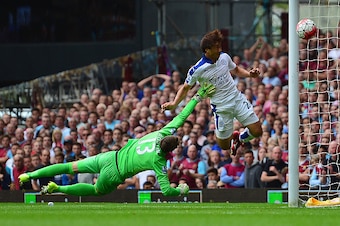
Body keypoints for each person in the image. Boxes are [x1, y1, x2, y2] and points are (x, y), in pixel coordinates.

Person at [19, 83, 216, 196]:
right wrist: (181, 189)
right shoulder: (159, 160)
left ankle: (30, 175)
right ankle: (58, 188)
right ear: (170, 152)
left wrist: (198, 96)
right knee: (96, 190)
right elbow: (165, 190)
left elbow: (181, 117)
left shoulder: (160, 133)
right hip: (115, 173)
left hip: (108, 156)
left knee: (69, 167)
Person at [161, 29, 262, 155]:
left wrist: (249, 74)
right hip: (221, 107)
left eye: (220, 46)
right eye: (216, 47)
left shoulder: (224, 57)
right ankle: (226, 135)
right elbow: (186, 87)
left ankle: (239, 138)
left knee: (257, 131)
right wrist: (174, 103)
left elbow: (235, 70)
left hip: (237, 99)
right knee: (224, 146)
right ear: (207, 50)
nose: (219, 49)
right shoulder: (197, 70)